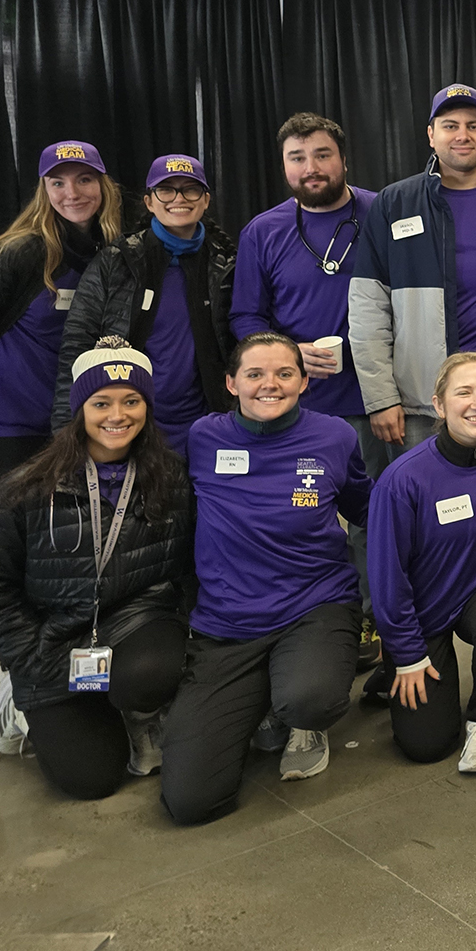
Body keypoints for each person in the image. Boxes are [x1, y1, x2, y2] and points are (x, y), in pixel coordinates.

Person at [0, 339, 191, 799]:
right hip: (49, 636)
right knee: (92, 781)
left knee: (152, 672)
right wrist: (29, 657)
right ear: (79, 409)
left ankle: (133, 709)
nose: (117, 415)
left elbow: (186, 567)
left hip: (131, 624)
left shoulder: (170, 478)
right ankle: (18, 698)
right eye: (101, 402)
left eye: (132, 401)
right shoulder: (19, 492)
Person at [161, 333, 371, 824]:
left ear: (303, 381)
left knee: (309, 698)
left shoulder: (335, 437)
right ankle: (265, 701)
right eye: (254, 374)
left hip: (314, 606)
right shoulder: (203, 437)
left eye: (284, 373)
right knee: (192, 801)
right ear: (231, 383)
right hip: (226, 624)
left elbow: (369, 508)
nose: (269, 385)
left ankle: (302, 721)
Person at [366, 353, 476, 773]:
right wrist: (405, 654)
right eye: (464, 392)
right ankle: (392, 673)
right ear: (439, 406)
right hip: (420, 612)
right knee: (426, 744)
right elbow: (387, 578)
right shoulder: (403, 479)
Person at [352, 83, 476, 448]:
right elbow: (367, 307)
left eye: (474, 125)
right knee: (424, 500)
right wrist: (381, 398)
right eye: (450, 125)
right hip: (424, 395)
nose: (462, 135)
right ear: (431, 135)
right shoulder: (396, 202)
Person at [0, 141, 123, 484]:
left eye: (84, 180)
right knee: (19, 525)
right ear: (44, 191)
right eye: (58, 183)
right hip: (7, 421)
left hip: (69, 418)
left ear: (102, 186)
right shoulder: (21, 252)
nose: (72, 192)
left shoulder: (111, 251)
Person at [54, 154, 235, 459]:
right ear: (150, 202)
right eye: (166, 190)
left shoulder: (226, 265)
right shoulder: (116, 261)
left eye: (190, 189)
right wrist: (64, 434)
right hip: (128, 425)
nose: (179, 198)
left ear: (205, 201)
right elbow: (76, 348)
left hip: (204, 426)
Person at [232, 113, 383, 470]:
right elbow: (245, 315)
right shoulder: (262, 232)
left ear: (344, 160)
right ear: (284, 165)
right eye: (297, 158)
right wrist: (287, 353)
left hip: (376, 402)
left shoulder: (382, 212)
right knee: (304, 511)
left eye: (322, 154)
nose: (311, 167)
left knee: (371, 511)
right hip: (296, 404)